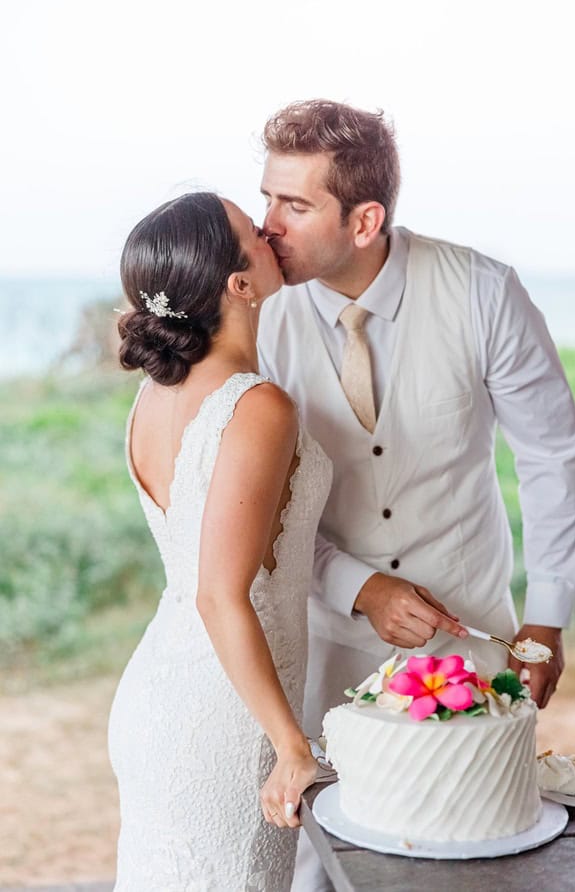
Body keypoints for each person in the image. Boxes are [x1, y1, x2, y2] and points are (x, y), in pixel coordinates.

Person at [256, 99, 575, 890]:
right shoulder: (260, 315)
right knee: (318, 863)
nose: (267, 224)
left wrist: (547, 617)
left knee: (475, 858)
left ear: (364, 220)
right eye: (267, 196)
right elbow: (259, 502)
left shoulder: (482, 290)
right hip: (319, 641)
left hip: (469, 633)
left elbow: (550, 453)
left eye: (294, 205)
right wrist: (357, 586)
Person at [107, 191, 343, 891]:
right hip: (224, 718)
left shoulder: (155, 395)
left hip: (160, 697)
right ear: (240, 285)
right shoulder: (256, 405)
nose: (274, 230)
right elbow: (219, 594)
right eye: (256, 231)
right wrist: (290, 743)